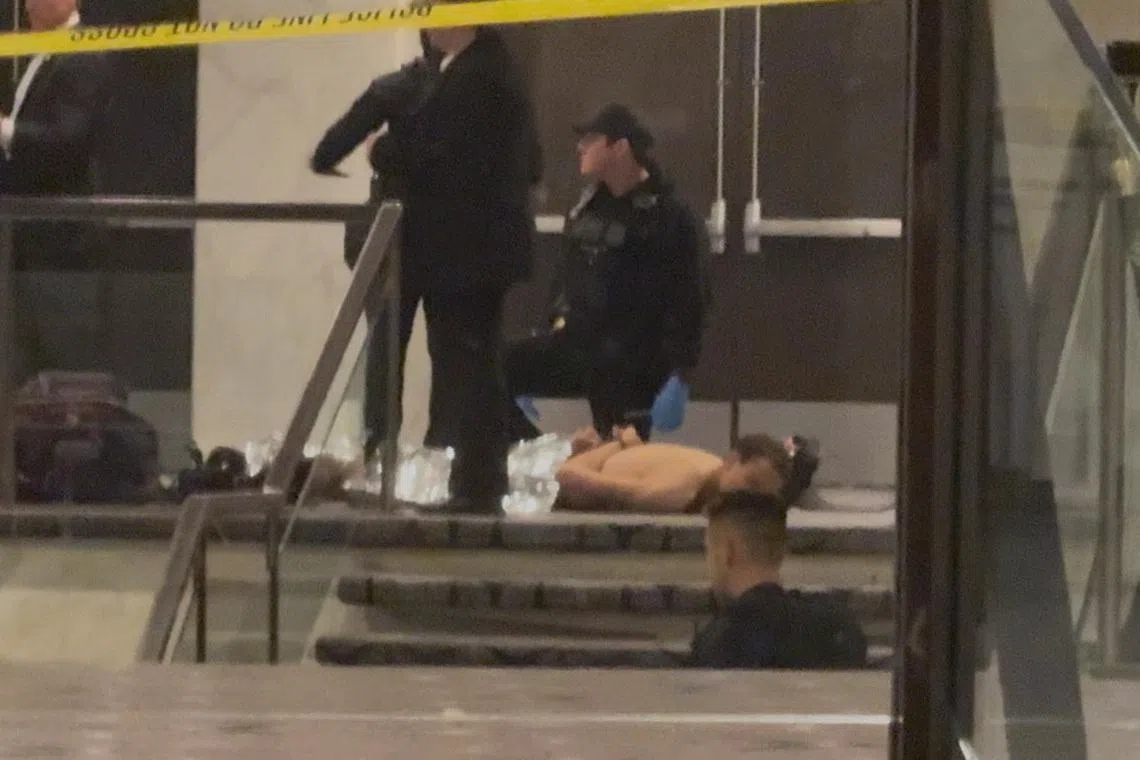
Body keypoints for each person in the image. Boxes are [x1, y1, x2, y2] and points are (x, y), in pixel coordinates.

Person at [314, 16, 540, 513]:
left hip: (467, 252)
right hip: (468, 250)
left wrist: (381, 152)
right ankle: (471, 480)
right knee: (468, 364)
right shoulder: (487, 71)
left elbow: (432, 151)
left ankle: (476, 486)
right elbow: (531, 162)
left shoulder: (476, 78)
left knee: (468, 365)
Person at [505, 103, 710, 444]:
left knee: (620, 452)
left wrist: (680, 372)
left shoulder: (671, 217)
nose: (580, 148)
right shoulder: (588, 206)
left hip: (633, 359)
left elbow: (691, 297)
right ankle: (537, 455)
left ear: (620, 147)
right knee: (493, 370)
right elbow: (565, 278)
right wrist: (549, 326)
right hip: (579, 342)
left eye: (590, 139)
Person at [3, 0, 112, 383]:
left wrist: (6, 131)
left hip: (62, 243)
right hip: (27, 239)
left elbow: (69, 140)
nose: (29, 5)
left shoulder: (82, 54)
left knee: (68, 363)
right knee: (27, 359)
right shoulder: (44, 56)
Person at [688, 488, 869, 669]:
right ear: (782, 551)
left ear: (728, 553)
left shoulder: (721, 641)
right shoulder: (836, 625)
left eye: (710, 551)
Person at [554, 428, 819, 514]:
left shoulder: (709, 467)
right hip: (548, 478)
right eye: (750, 483)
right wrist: (613, 446)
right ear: (731, 460)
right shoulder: (678, 490)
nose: (750, 499)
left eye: (760, 497)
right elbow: (565, 475)